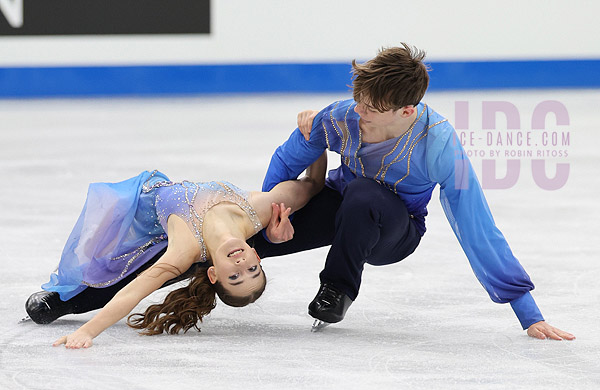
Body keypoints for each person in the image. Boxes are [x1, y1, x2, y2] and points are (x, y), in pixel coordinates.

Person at [248, 43, 574, 340]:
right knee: (247, 243)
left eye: (371, 108)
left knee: (363, 192)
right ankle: (198, 275)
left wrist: (526, 311)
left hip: (394, 231)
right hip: (339, 205)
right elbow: (288, 160)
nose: (358, 112)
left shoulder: (439, 144)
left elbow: (477, 226)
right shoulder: (341, 117)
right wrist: (265, 218)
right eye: (358, 101)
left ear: (406, 111)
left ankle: (336, 289)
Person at [26, 152, 327, 349]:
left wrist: (88, 332)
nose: (240, 264)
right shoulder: (258, 212)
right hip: (162, 191)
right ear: (256, 256)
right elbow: (312, 184)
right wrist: (318, 132)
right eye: (251, 270)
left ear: (212, 272)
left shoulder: (184, 251)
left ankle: (66, 299)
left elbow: (134, 292)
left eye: (234, 277)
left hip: (134, 215)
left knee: (103, 268)